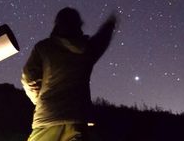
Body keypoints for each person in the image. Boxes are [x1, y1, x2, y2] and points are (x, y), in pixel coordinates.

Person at [21, 8, 118, 141]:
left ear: (57, 24)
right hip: (77, 120)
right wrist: (110, 24)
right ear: (78, 25)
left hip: (47, 119)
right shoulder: (87, 49)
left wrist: (41, 100)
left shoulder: (44, 47)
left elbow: (29, 79)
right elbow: (102, 39)